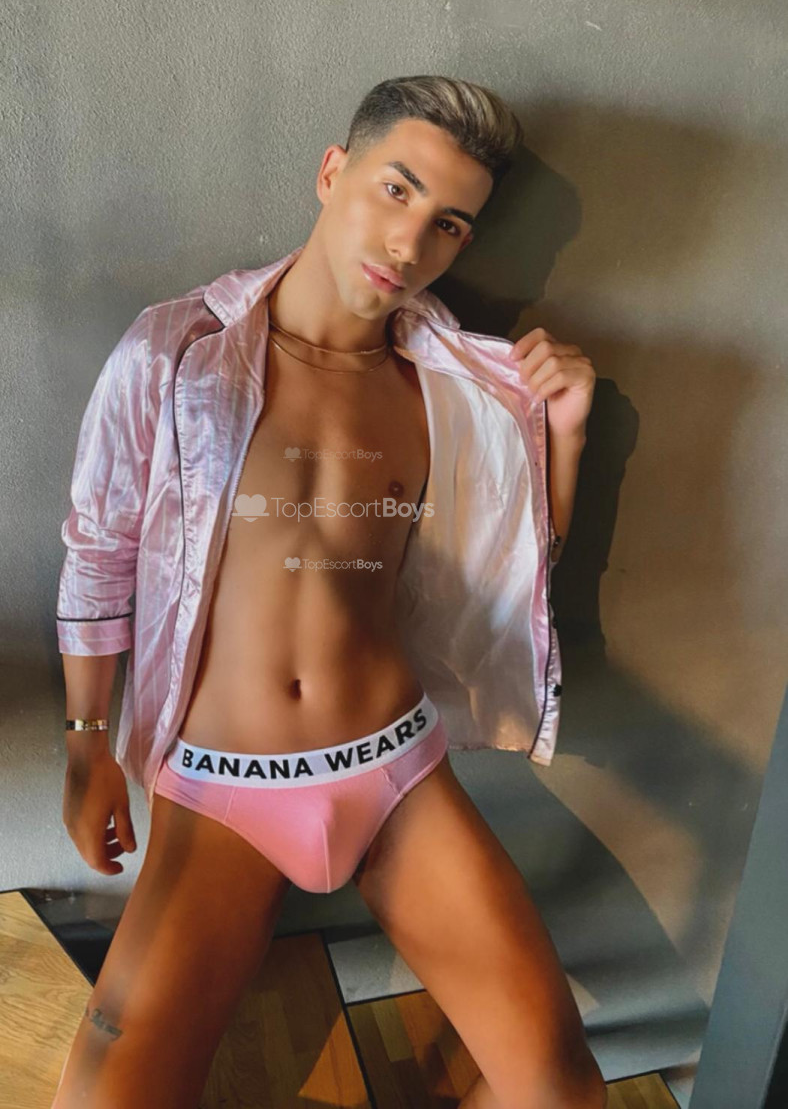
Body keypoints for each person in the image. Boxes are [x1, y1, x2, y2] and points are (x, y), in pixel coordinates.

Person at [51, 75, 603, 1108]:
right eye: (395, 190)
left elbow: (513, 578)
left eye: (448, 224)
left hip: (391, 768)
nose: (409, 243)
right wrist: (87, 741)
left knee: (559, 1088)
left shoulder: (450, 387)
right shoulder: (177, 351)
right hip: (218, 786)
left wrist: (563, 437)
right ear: (331, 171)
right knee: (104, 1095)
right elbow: (99, 547)